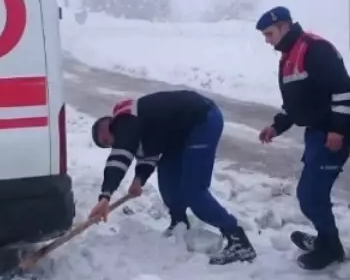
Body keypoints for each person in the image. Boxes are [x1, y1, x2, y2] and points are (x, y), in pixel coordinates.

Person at [88, 89, 257, 265]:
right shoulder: (137, 125)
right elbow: (149, 154)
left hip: (202, 120)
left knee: (193, 190)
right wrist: (138, 180)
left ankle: (238, 240)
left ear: (108, 125)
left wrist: (105, 195)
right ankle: (179, 223)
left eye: (107, 141)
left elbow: (119, 159)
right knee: (167, 178)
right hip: (180, 134)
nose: (112, 145)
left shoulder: (125, 121)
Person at [254, 6, 350, 271]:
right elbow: (295, 104)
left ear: (285, 26)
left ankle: (331, 247)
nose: (267, 40)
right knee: (311, 195)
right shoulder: (290, 57)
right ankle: (325, 239)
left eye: (269, 33)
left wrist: (337, 129)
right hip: (316, 134)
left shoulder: (314, 49)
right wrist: (276, 127)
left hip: (331, 135)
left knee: (311, 196)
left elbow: (344, 90)